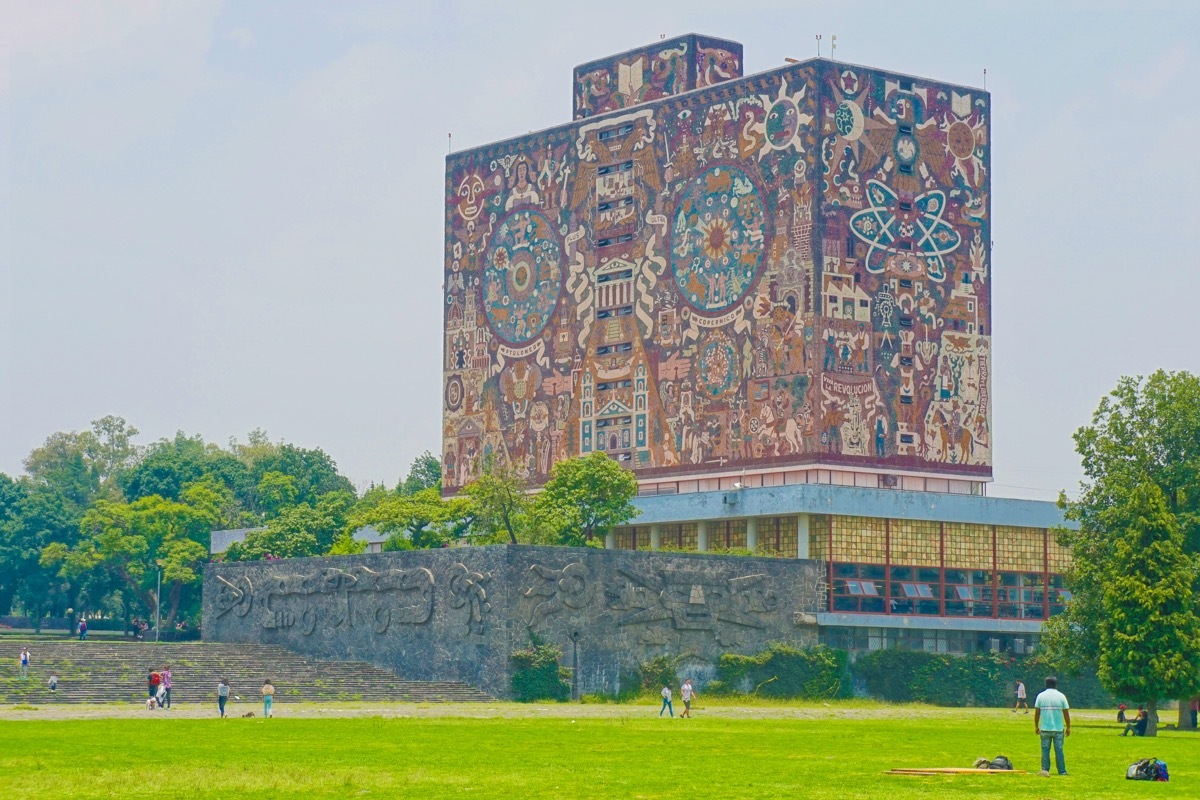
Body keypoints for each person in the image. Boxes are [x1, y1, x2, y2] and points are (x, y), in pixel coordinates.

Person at [1033, 676, 1071, 776]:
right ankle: (1062, 771)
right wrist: (1068, 727)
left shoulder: (1041, 696)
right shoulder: (1061, 696)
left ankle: (1045, 770)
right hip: (1058, 729)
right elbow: (1066, 713)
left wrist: (1036, 726)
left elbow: (1037, 713)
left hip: (1045, 728)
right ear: (1056, 684)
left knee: (1045, 750)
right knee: (1059, 750)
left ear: (1046, 684)